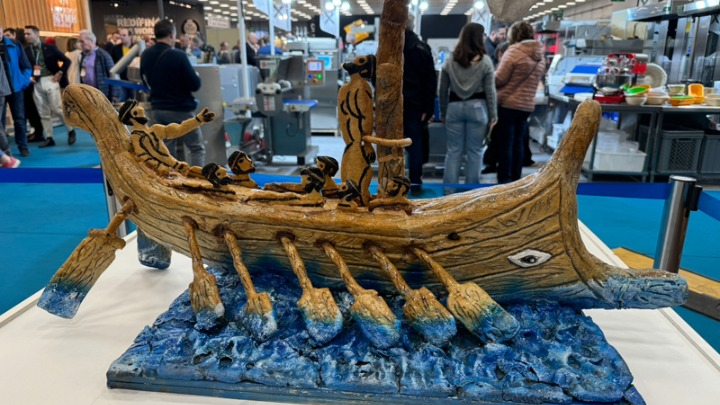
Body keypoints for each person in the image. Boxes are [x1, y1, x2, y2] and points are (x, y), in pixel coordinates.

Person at [438, 22, 496, 193]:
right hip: (478, 109)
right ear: (479, 38)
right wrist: (493, 115)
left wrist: (443, 112)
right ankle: (471, 193)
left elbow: (442, 90)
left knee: (453, 152)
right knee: (475, 152)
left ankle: (449, 192)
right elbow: (490, 92)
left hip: (454, 108)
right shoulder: (486, 62)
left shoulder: (449, 60)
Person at [494, 21, 545, 184]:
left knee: (506, 143)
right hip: (527, 105)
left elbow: (500, 78)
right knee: (519, 142)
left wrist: (489, 75)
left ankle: (504, 179)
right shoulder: (539, 54)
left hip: (508, 103)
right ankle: (516, 179)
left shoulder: (514, 51)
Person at [23, 25, 76, 148]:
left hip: (51, 80)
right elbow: (24, 66)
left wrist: (60, 72)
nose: (26, 36)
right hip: (36, 82)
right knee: (43, 112)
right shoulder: (26, 51)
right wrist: (28, 77)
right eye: (25, 34)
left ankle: (71, 130)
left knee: (57, 109)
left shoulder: (50, 48)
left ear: (37, 34)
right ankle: (49, 137)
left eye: (28, 34)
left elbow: (66, 61)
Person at [402, 14, 437, 191]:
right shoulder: (422, 48)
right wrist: (428, 108)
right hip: (416, 105)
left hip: (392, 106)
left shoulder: (387, 48)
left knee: (390, 146)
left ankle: (391, 182)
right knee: (415, 145)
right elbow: (430, 81)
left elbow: (378, 77)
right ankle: (415, 183)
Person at [0, 24, 32, 157]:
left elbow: (26, 66)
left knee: (19, 119)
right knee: (1, 123)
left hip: (16, 88)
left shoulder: (14, 44)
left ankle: (23, 146)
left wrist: (23, 82)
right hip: (1, 91)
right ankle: (4, 152)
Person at [481, 41, 509, 175]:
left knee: (497, 138)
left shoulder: (506, 66)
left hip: (503, 104)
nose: (499, 58)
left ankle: (493, 164)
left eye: (501, 55)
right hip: (515, 105)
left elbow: (494, 82)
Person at [78, 29, 119, 102]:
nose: (80, 44)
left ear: (90, 40)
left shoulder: (103, 55)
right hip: (88, 95)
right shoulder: (83, 56)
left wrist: (114, 95)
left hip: (102, 94)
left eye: (82, 41)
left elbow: (113, 75)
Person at [110, 28, 134, 101]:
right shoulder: (115, 49)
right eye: (120, 35)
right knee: (121, 101)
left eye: (124, 35)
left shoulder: (136, 48)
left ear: (130, 36)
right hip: (120, 80)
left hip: (134, 81)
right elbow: (112, 64)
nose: (121, 37)